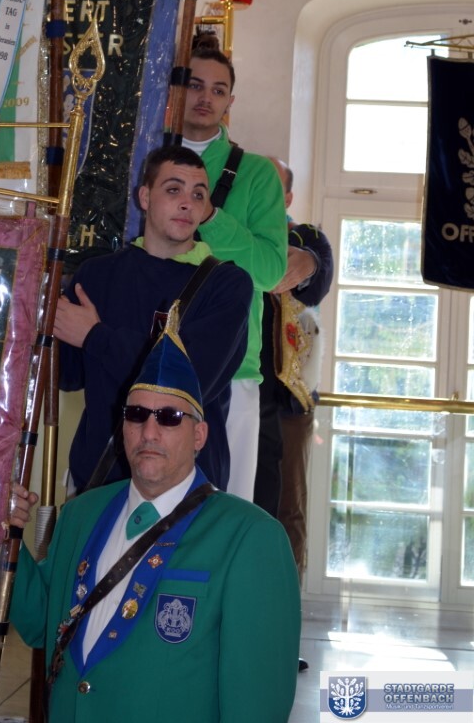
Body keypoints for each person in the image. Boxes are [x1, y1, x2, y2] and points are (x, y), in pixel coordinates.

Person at [9, 330, 301, 722]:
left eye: (169, 417)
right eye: (136, 414)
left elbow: (257, 704)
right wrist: (3, 537)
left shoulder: (250, 538)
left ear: (199, 435)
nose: (149, 431)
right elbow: (42, 624)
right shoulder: (80, 514)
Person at [56, 143, 252, 493]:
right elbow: (68, 376)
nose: (187, 203)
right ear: (144, 197)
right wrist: (42, 317)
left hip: (185, 487)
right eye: (174, 190)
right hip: (99, 480)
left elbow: (187, 381)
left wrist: (95, 336)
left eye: (198, 195)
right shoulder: (96, 275)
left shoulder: (227, 285)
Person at [181, 35, 288, 500]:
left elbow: (270, 271)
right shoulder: (142, 155)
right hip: (142, 353)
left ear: (230, 101)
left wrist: (210, 217)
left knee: (222, 512)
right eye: (194, 84)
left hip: (234, 368)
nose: (206, 98)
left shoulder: (258, 174)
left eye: (218, 89)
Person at [254, 159, 333, 586]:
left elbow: (314, 277)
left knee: (287, 508)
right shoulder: (232, 229)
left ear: (287, 197)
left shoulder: (306, 238)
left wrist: (304, 260)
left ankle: (283, 608)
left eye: (272, 185)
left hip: (288, 398)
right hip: (235, 391)